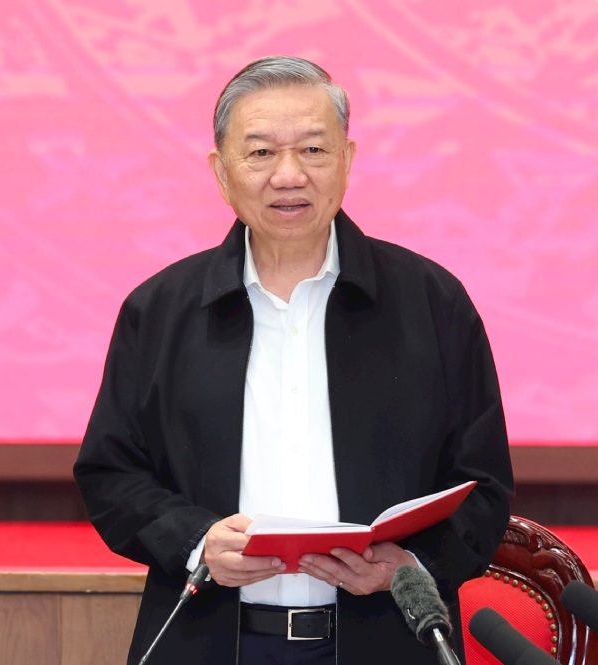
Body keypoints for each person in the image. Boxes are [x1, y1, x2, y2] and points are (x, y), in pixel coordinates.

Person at [74, 55, 513, 665]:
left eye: (312, 150)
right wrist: (196, 541)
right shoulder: (161, 310)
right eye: (259, 154)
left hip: (385, 642)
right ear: (221, 171)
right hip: (209, 642)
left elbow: (484, 485)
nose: (288, 176)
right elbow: (110, 474)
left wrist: (412, 565)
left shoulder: (431, 302)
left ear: (348, 162)